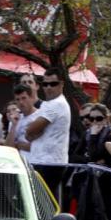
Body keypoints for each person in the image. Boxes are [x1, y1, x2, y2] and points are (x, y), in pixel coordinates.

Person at [25, 67, 71, 199]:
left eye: (53, 84)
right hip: (46, 162)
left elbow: (30, 130)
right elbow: (29, 133)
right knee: (43, 202)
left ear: (61, 84)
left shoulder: (57, 104)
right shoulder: (50, 104)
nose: (48, 87)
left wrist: (31, 133)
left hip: (48, 163)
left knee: (41, 203)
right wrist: (30, 133)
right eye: (45, 84)